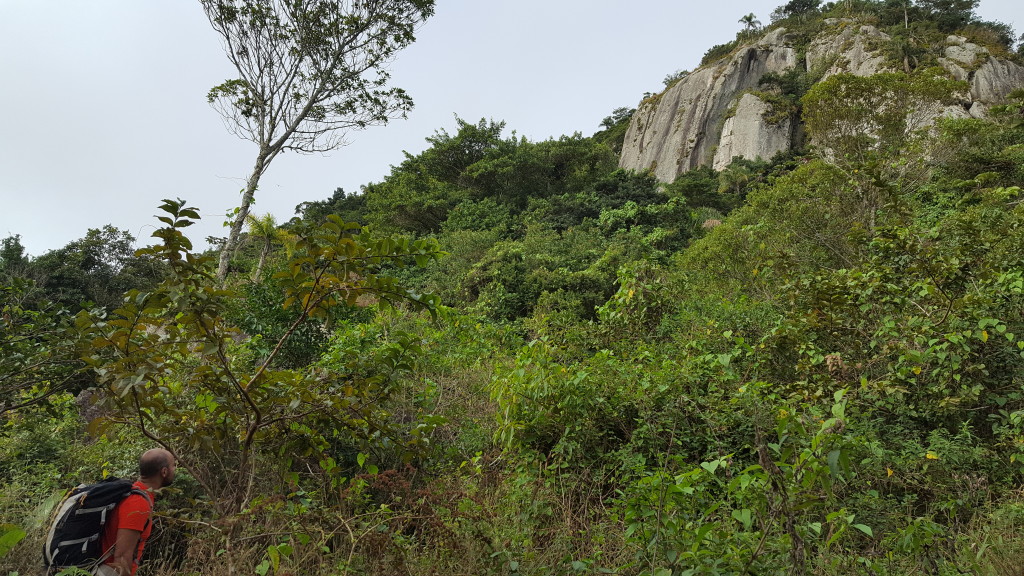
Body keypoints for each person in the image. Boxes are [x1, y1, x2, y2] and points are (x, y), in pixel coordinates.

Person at [96, 448, 176, 576]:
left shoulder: (137, 492)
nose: (175, 469)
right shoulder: (137, 503)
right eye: (174, 466)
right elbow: (121, 558)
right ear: (164, 472)